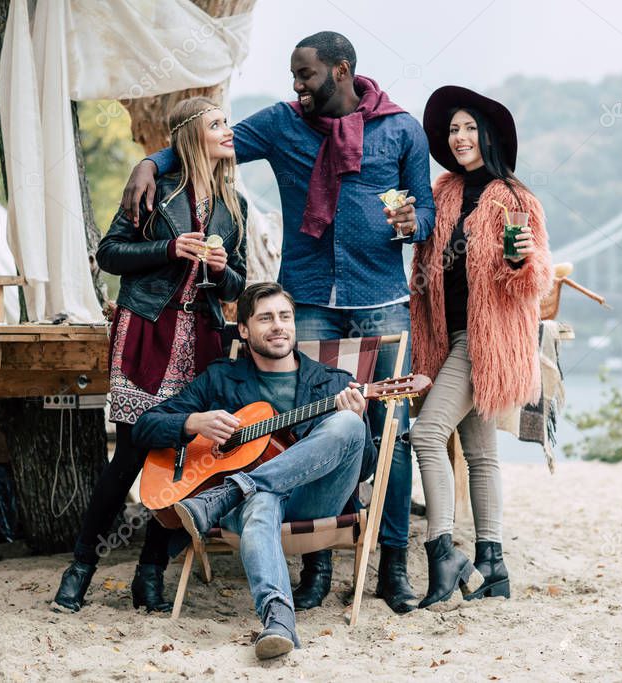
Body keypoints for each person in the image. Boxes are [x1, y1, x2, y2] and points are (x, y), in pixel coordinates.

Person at [120, 32, 433, 614]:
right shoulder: (283, 124)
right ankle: (316, 560)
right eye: (293, 75)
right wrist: (150, 161)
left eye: (305, 75)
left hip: (382, 298)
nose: (296, 85)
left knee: (394, 431)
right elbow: (211, 143)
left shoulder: (401, 129)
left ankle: (391, 563)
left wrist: (414, 222)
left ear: (341, 71)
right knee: (308, 424)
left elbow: (427, 211)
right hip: (309, 297)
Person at [51, 97, 248, 614]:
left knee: (183, 460)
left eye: (227, 122)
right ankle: (79, 570)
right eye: (217, 124)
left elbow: (240, 283)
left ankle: (150, 574)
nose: (229, 130)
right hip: (147, 333)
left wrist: (225, 269)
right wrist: (168, 249)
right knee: (131, 457)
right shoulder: (155, 188)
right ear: (191, 135)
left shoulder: (234, 204)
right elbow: (109, 253)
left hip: (202, 341)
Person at [131, 282, 376, 659]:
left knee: (347, 426)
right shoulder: (221, 379)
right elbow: (146, 426)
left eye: (285, 317)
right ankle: (278, 620)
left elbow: (365, 469)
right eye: (265, 318)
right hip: (253, 508)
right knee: (260, 500)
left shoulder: (334, 383)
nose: (278, 326)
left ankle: (231, 489)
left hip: (313, 500)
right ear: (243, 329)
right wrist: (195, 422)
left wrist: (356, 421)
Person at [408, 86, 554, 610]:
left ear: (488, 137)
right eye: (453, 129)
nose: (461, 136)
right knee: (480, 453)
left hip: (485, 341)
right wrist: (406, 223)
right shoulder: (443, 191)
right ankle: (492, 565)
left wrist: (519, 260)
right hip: (448, 337)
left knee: (426, 434)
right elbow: (423, 244)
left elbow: (533, 281)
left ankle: (443, 552)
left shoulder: (515, 198)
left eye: (470, 128)